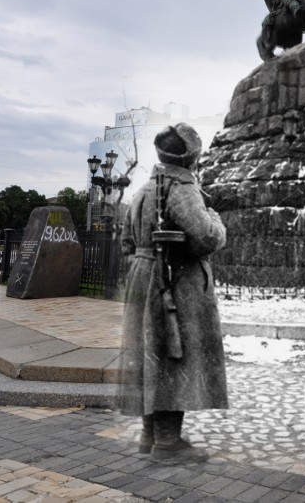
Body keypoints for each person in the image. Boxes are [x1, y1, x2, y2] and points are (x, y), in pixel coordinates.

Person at [119, 123, 228, 464]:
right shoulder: (181, 189)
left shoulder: (143, 189)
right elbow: (207, 238)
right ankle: (168, 441)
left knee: (151, 355)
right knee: (172, 354)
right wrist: (215, 217)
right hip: (173, 284)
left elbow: (125, 243)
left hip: (143, 279)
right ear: (192, 157)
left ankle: (150, 433)